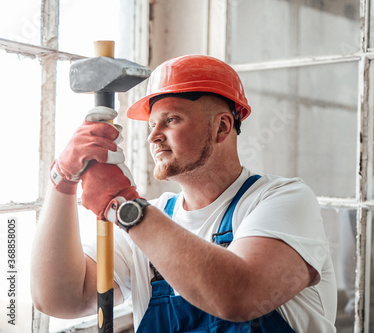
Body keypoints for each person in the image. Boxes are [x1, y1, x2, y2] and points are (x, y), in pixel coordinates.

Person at [31, 55, 337, 332]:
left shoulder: (282, 200)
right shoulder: (152, 222)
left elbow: (239, 296)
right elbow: (59, 298)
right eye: (151, 125)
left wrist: (126, 206)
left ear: (222, 127)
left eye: (171, 120)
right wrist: (62, 179)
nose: (153, 136)